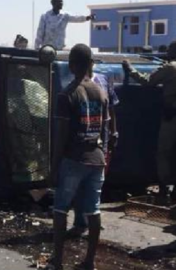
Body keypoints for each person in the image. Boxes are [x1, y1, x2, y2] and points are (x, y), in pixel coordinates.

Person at [50, 44, 109, 270]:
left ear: (72, 65)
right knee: (93, 210)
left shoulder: (67, 94)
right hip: (96, 158)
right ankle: (89, 262)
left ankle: (58, 262)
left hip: (73, 159)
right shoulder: (100, 92)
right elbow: (104, 128)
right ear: (90, 63)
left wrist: (54, 168)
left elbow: (62, 135)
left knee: (60, 209)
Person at [122, 40, 176, 200]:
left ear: (175, 50)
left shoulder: (170, 67)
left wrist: (130, 69)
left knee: (163, 152)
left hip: (171, 115)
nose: (167, 52)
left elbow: (147, 81)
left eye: (170, 49)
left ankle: (163, 187)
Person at [70, 71, 120, 237]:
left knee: (95, 183)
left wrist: (114, 131)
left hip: (101, 139)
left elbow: (112, 106)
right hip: (82, 141)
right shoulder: (75, 85)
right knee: (80, 183)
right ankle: (80, 221)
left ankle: (92, 219)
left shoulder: (103, 79)